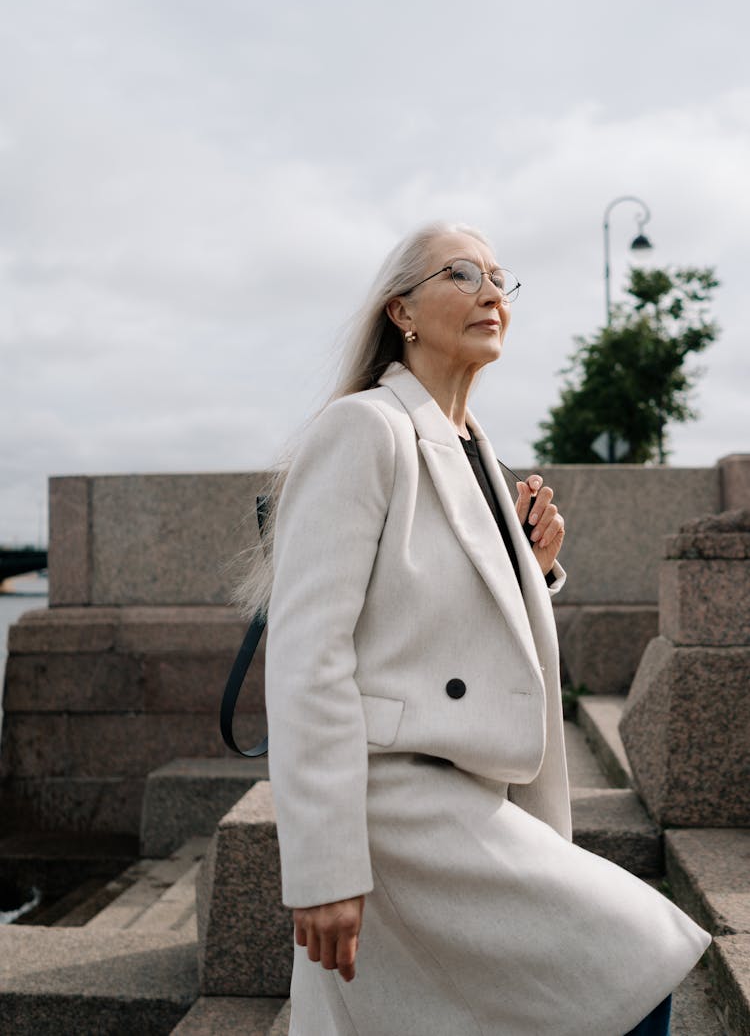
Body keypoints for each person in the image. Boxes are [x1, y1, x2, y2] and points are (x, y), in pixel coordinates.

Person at [255, 223, 710, 1035]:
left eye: (501, 277)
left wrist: (532, 571)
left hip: (469, 793)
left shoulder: (477, 451)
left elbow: (432, 621)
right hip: (395, 805)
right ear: (402, 310)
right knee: (630, 963)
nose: (492, 292)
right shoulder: (366, 428)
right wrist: (322, 864)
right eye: (462, 273)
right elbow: (305, 655)